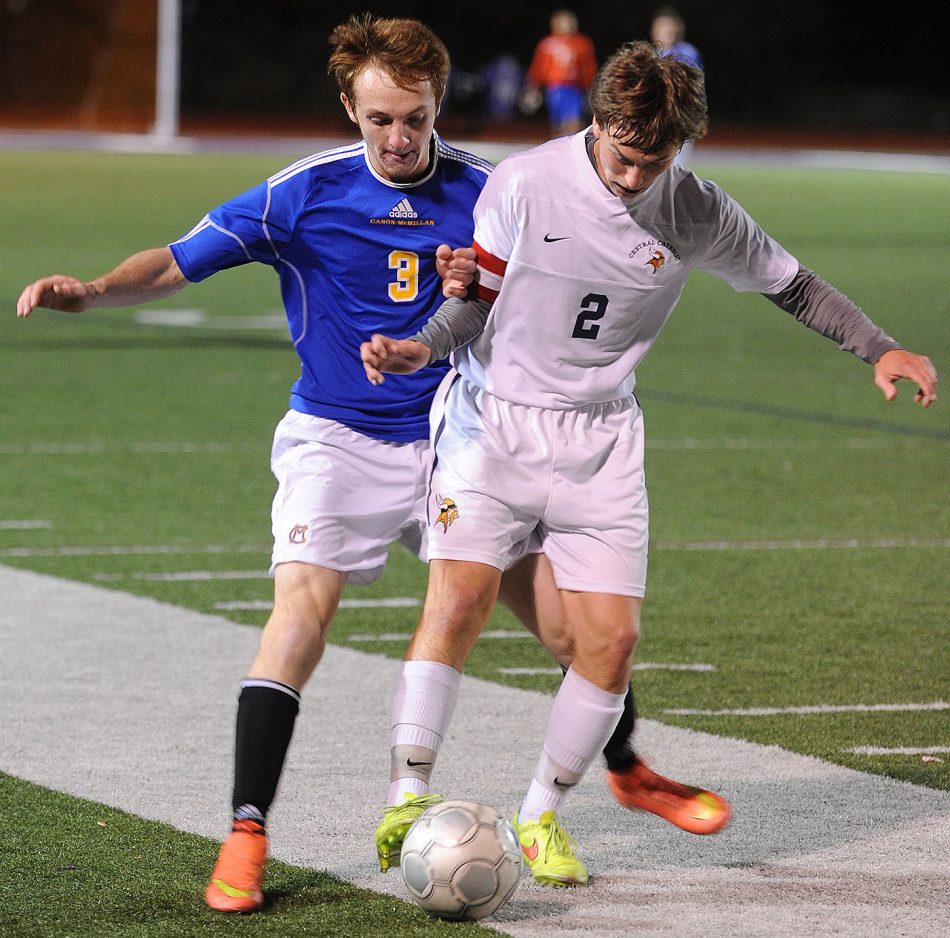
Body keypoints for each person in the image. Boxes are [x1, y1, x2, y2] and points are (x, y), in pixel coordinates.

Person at [14, 15, 728, 913]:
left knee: (577, 634)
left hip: (459, 437)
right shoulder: (302, 192)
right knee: (301, 615)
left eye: (416, 118)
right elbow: (181, 262)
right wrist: (94, 290)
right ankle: (246, 831)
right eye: (381, 119)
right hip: (338, 440)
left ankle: (624, 768)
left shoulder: (492, 188)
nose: (399, 138)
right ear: (350, 107)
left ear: (439, 103)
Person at [360, 40, 938, 887]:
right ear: (598, 124)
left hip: (602, 439)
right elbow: (474, 302)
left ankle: (539, 816)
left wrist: (880, 348)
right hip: (495, 422)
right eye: (622, 158)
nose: (633, 179)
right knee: (458, 600)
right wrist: (421, 347)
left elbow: (794, 285)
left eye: (654, 163)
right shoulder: (524, 182)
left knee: (612, 642)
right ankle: (407, 795)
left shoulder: (697, 209)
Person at [521, 9, 598, 137]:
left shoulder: (581, 42)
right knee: (557, 121)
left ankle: (571, 141)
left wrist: (592, 86)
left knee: (573, 119)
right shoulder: (547, 43)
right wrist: (532, 86)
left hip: (574, 88)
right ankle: (559, 141)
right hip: (554, 88)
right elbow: (539, 67)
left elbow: (588, 66)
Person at [649, 5, 703, 166]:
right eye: (662, 26)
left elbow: (694, 85)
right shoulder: (650, 54)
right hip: (656, 117)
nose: (667, 31)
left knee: (676, 165)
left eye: (670, 27)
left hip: (680, 115)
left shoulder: (688, 52)